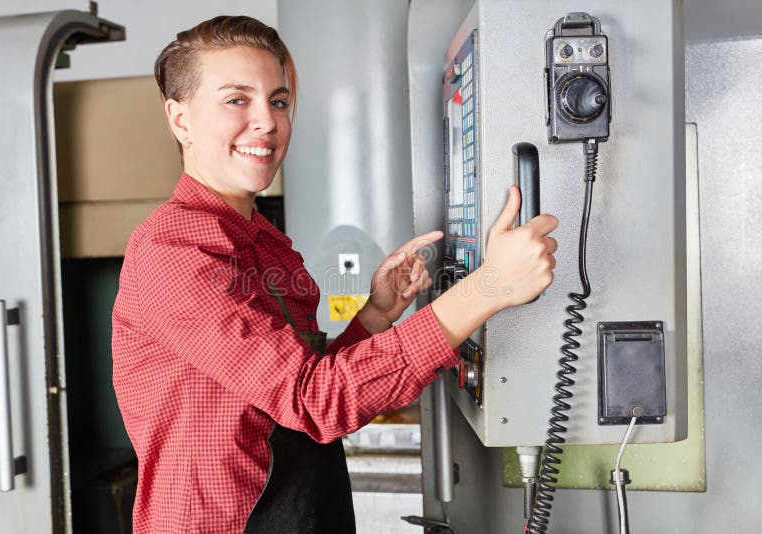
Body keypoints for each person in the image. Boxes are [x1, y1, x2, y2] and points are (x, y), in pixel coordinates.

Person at [112, 15, 558, 534]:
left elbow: (296, 390)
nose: (267, 122)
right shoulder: (176, 249)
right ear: (180, 119)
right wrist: (487, 290)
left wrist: (374, 315)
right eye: (237, 100)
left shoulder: (264, 241)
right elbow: (313, 401)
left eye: (278, 101)